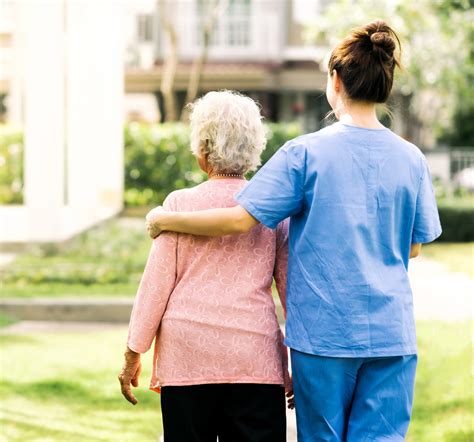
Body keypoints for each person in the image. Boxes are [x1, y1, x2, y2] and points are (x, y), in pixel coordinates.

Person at [145, 20, 442, 441]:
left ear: (335, 81)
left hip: (324, 336)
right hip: (391, 334)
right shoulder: (412, 159)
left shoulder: (305, 153)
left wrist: (166, 219)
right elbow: (413, 247)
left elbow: (239, 218)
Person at [118, 90, 293, 442]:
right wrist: (297, 364)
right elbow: (293, 294)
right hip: (255, 359)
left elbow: (155, 288)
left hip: (188, 357)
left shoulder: (179, 205)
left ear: (203, 150)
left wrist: (132, 355)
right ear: (254, 148)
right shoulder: (272, 211)